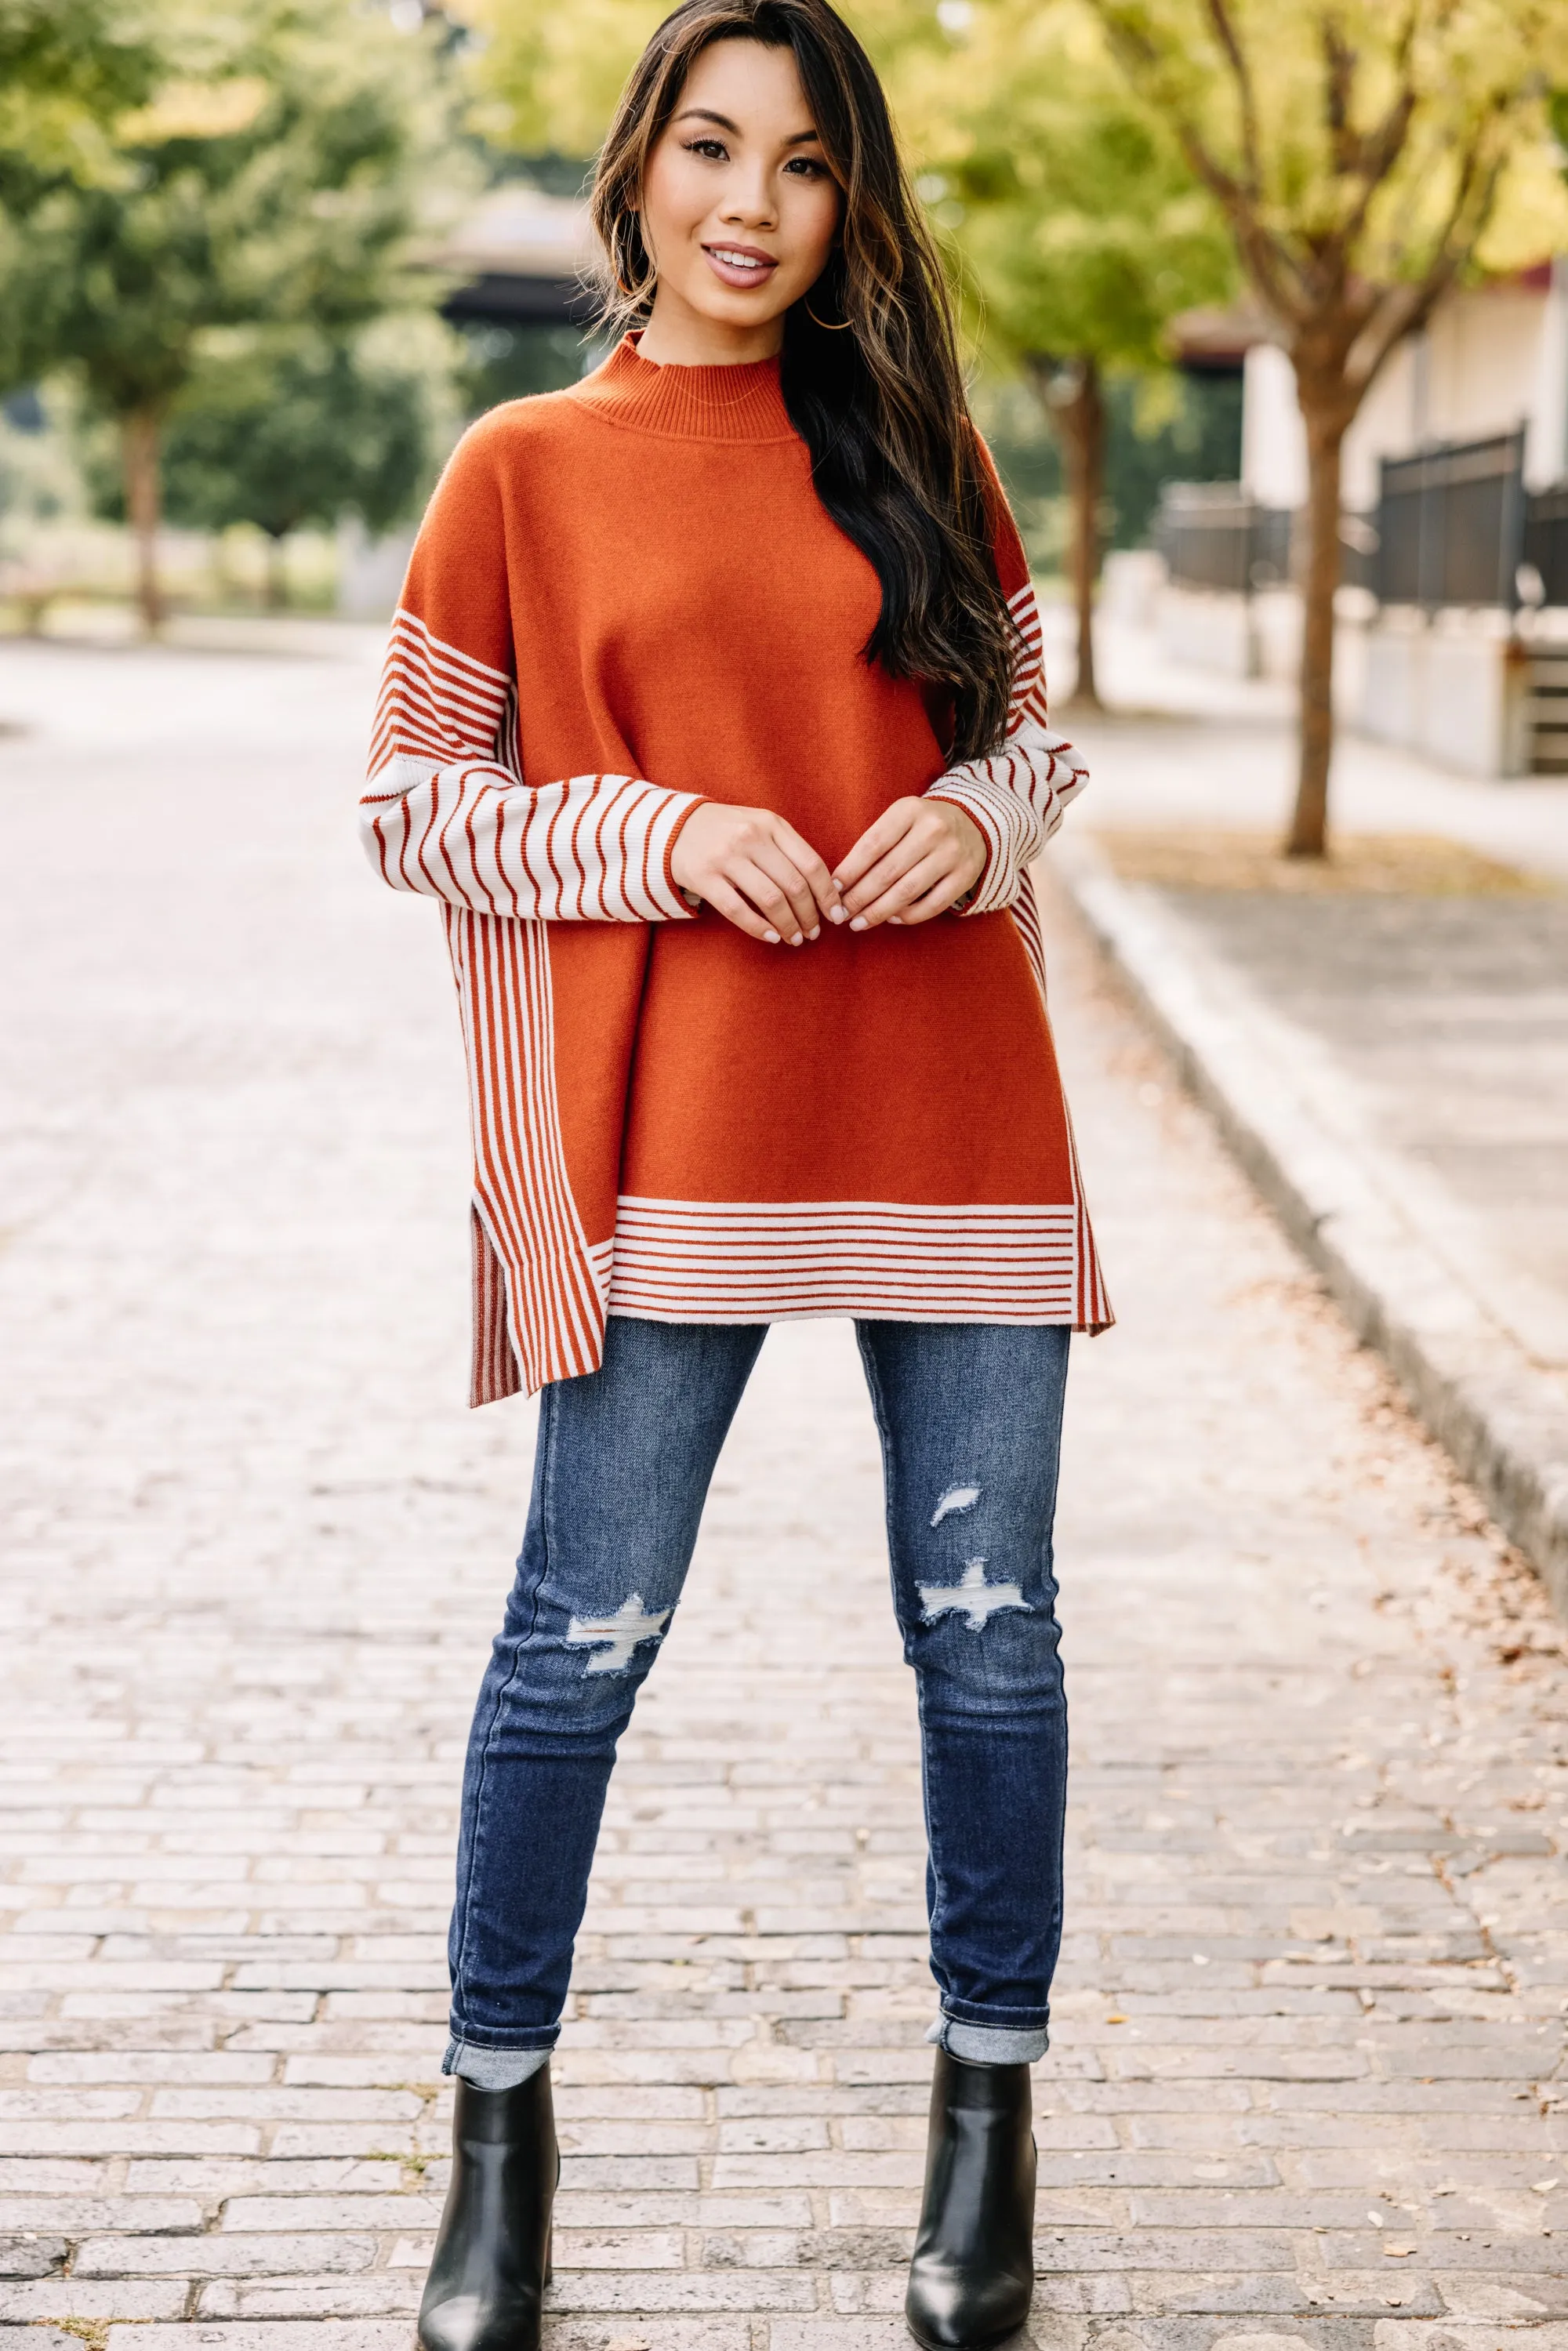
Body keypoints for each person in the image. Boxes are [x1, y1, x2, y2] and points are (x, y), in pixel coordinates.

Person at [361, 3, 1109, 2344]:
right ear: (641, 173)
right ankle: (500, 2136)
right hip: (678, 1136)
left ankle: (985, 2128)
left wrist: (977, 820)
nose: (751, 201)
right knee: (579, 1641)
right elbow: (410, 804)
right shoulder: (524, 467)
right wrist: (659, 825)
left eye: (801, 162)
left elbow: (1035, 731)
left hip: (953, 1117)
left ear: (849, 200)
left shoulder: (917, 445)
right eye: (711, 148)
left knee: (988, 1647)